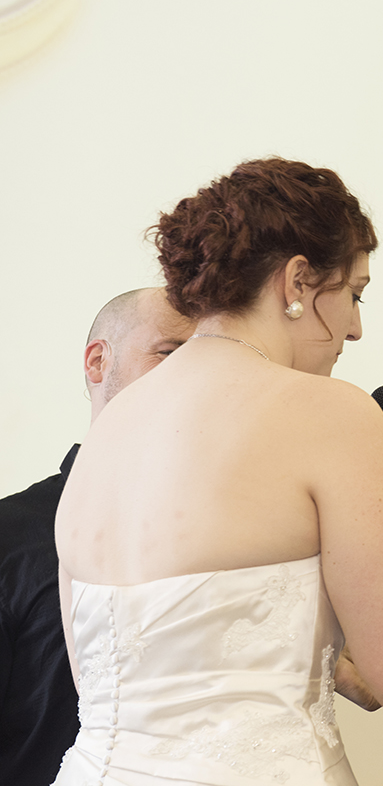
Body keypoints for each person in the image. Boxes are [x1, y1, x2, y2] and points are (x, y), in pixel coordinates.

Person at [52, 157, 383, 785]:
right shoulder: (333, 413)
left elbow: (100, 677)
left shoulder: (108, 433)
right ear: (297, 282)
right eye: (353, 294)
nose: (356, 328)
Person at [0, 287, 195, 786]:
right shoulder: (10, 535)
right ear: (97, 362)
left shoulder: (254, 535)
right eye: (170, 353)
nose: (196, 376)